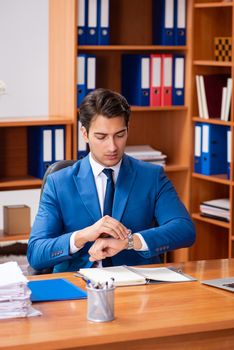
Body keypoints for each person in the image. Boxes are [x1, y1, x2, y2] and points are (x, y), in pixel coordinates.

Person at [27, 88, 195, 273]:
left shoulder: (151, 176)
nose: (112, 146)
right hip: (78, 287)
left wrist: (129, 242)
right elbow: (36, 253)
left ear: (128, 130)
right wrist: (82, 236)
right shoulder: (59, 183)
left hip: (138, 288)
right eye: (101, 137)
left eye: (120, 135)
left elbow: (184, 230)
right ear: (85, 134)